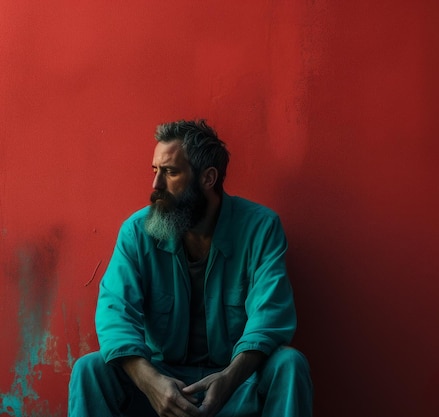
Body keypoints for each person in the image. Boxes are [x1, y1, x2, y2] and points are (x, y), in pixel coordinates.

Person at [68, 119, 313, 417]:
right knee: (90, 370)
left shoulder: (260, 228)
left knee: (289, 364)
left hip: (235, 385)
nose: (156, 185)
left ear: (208, 178)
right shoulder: (137, 231)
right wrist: (151, 382)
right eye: (155, 170)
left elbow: (270, 315)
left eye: (170, 172)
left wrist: (229, 379)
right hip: (160, 383)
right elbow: (115, 312)